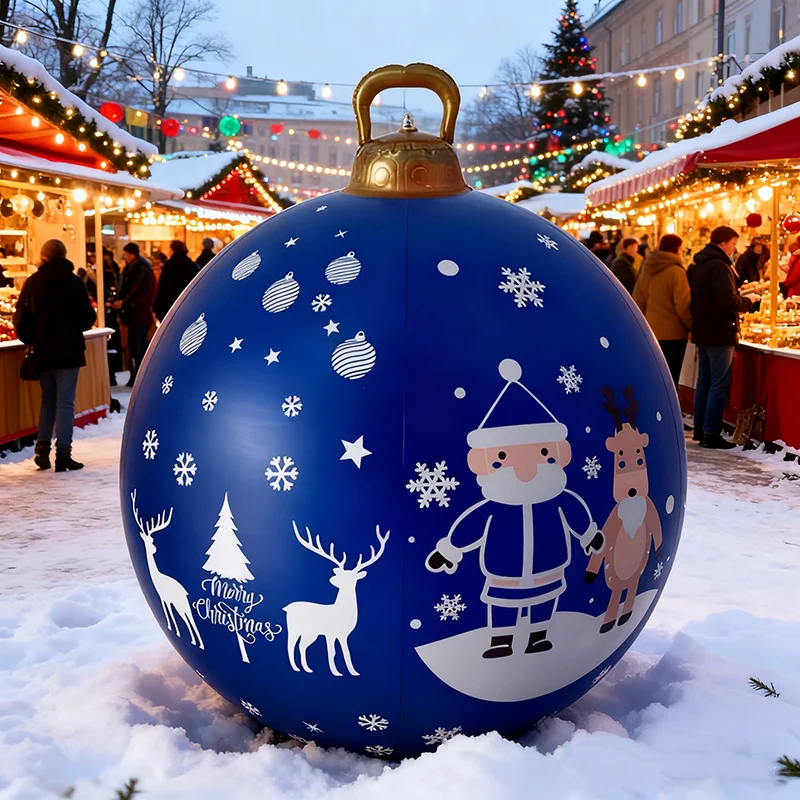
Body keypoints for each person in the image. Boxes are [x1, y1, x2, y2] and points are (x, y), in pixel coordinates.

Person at [13, 240, 96, 471]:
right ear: (64, 255)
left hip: (43, 351)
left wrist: (32, 339)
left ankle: (41, 448)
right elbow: (87, 317)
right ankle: (63, 454)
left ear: (43, 257)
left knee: (47, 401)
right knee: (66, 403)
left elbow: (20, 318)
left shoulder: (33, 282)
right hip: (69, 351)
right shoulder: (74, 282)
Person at [689, 226, 758, 449]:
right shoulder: (719, 266)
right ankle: (711, 433)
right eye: (733, 244)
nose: (734, 248)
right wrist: (749, 301)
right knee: (719, 383)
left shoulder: (700, 265)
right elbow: (727, 301)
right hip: (719, 332)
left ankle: (701, 428)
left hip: (704, 330)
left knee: (705, 382)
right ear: (723, 243)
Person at [633, 234, 692, 390]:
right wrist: (691, 326)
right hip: (674, 334)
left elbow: (637, 300)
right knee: (671, 378)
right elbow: (683, 304)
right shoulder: (676, 271)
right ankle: (670, 413)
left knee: (654, 377)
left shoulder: (647, 268)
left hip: (651, 331)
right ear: (678, 249)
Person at [112, 243, 156, 387]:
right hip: (134, 314)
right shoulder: (133, 269)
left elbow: (136, 290)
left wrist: (124, 302)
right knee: (134, 346)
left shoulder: (140, 270)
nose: (125, 257)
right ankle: (137, 375)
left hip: (139, 314)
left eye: (126, 254)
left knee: (138, 346)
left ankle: (141, 376)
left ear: (133, 254)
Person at [154, 240, 199, 322]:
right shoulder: (192, 266)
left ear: (173, 250)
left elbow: (162, 289)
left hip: (169, 306)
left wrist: (157, 308)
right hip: (187, 306)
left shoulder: (168, 267)